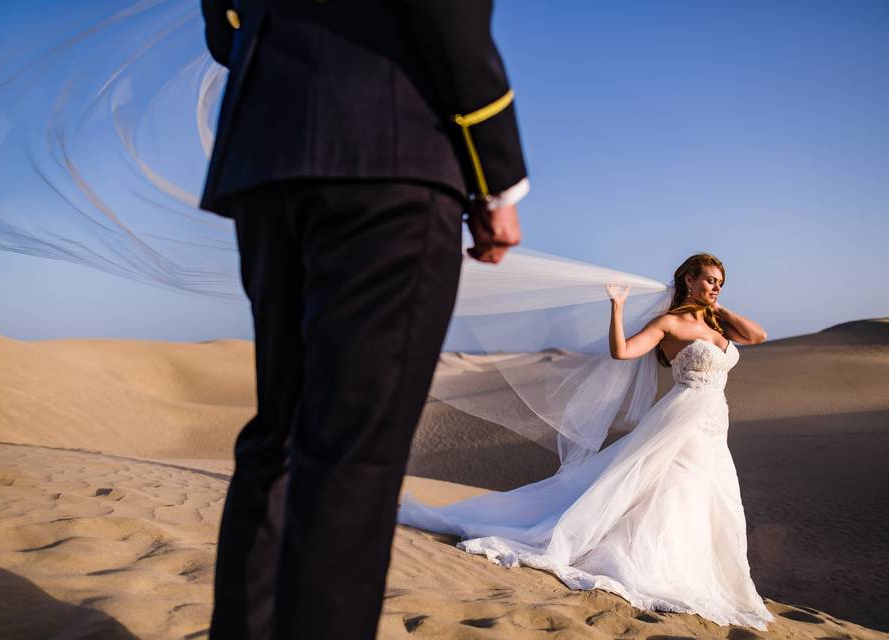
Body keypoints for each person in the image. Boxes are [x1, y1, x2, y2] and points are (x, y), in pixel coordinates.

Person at [198, 1, 529, 638]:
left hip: (265, 151)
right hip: (388, 155)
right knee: (354, 448)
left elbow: (223, 29)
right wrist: (498, 178)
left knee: (281, 432)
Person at [397, 253, 777, 631]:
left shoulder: (717, 324)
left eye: (720, 283)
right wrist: (618, 307)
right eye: (709, 280)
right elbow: (623, 351)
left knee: (709, 492)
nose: (715, 287)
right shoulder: (668, 323)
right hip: (682, 418)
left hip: (714, 420)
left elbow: (758, 335)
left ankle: (692, 566)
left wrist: (718, 306)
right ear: (689, 279)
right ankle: (645, 562)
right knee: (675, 485)